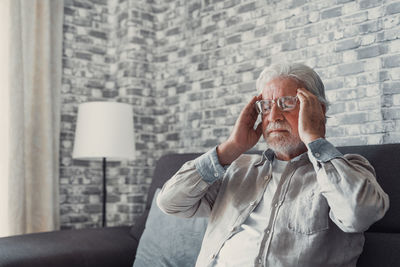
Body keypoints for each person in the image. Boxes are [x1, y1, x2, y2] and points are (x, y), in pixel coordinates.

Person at [157, 63, 389, 267]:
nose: (274, 115)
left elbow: (360, 214)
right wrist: (231, 147)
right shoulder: (237, 169)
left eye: (287, 103)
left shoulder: (348, 169)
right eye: (266, 107)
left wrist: (315, 141)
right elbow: (170, 203)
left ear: (318, 110)